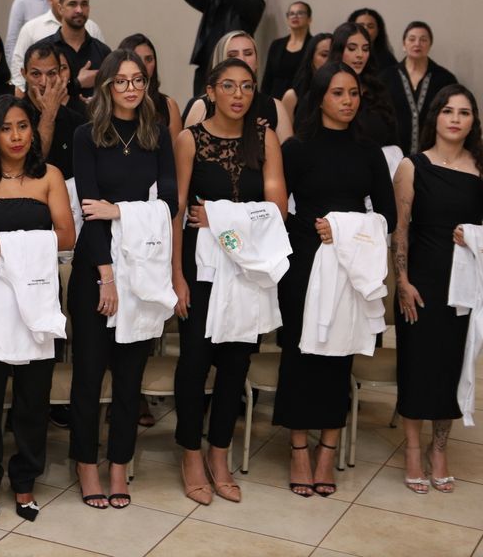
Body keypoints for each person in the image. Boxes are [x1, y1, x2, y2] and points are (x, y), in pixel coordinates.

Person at [273, 62, 396, 497]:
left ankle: (327, 449)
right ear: (321, 97)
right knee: (299, 353)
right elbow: (277, 207)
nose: (348, 101)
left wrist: (343, 230)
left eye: (354, 93)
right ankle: (298, 449)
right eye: (338, 93)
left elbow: (387, 215)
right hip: (304, 262)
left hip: (349, 265)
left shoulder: (369, 151)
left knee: (338, 357)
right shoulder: (297, 148)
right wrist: (310, 231)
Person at [171, 58, 286, 505]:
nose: (238, 95)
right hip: (200, 270)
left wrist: (218, 218)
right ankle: (190, 455)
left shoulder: (264, 136)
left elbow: (277, 207)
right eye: (229, 86)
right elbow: (178, 211)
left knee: (236, 366)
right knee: (194, 363)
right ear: (210, 90)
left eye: (247, 86)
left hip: (247, 267)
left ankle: (219, 455)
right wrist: (176, 275)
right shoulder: (190, 139)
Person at [69, 50, 178, 508]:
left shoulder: (157, 134)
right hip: (96, 269)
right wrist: (105, 276)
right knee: (89, 376)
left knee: (130, 379)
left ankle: (119, 465)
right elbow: (88, 209)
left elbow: (170, 202)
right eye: (122, 81)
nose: (131, 88)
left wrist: (119, 212)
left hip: (142, 272)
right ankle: (85, 465)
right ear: (107, 86)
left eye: (138, 80)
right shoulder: (87, 135)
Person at [0, 96, 75, 522]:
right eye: (6, 128)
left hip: (38, 296)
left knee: (33, 397)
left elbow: (67, 236)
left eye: (23, 126)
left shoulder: (49, 175)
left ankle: (25, 480)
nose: (16, 136)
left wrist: (8, 244)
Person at [393, 85, 483, 494]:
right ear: (436, 117)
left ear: (473, 121)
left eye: (464, 112)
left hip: (464, 286)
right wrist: (402, 282)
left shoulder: (479, 170)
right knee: (417, 365)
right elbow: (400, 229)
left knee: (451, 367)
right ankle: (413, 449)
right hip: (421, 281)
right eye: (448, 110)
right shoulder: (413, 166)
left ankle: (440, 449)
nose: (455, 119)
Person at [182, 30, 293, 142]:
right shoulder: (201, 107)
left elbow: (288, 152)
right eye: (232, 55)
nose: (242, 60)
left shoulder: (275, 107)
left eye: (248, 53)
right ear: (220, 61)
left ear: (257, 61)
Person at [183, 0, 265, 96]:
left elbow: (243, 5)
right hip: (207, 67)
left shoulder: (255, 3)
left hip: (235, 69)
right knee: (201, 105)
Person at [10, 0, 105, 92]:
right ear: (60, 9)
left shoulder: (102, 50)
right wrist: (78, 83)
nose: (79, 10)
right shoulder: (44, 49)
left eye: (84, 4)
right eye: (72, 4)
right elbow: (36, 91)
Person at [384, 22, 458, 154]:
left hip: (434, 152)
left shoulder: (445, 79)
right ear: (404, 44)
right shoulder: (386, 77)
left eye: (423, 39)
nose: (417, 44)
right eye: (412, 39)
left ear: (430, 45)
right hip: (393, 152)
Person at [23, 42, 89, 180]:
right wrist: (48, 114)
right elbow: (31, 166)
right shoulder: (12, 116)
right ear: (24, 74)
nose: (44, 82)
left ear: (60, 74)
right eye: (36, 74)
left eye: (51, 73)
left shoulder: (76, 121)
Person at [327, 22, 399, 148]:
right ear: (339, 50)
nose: (360, 55)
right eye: (352, 48)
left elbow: (393, 139)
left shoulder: (378, 89)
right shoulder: (322, 88)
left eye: (365, 49)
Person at [118, 34, 183, 142]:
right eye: (136, 59)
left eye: (149, 59)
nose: (143, 65)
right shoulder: (111, 103)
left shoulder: (168, 105)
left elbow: (175, 151)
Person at [262, 1, 314, 100]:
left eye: (300, 13)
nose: (295, 16)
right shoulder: (276, 44)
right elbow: (268, 78)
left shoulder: (313, 45)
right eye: (291, 13)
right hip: (275, 99)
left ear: (309, 19)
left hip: (301, 100)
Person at [281, 33, 332, 122]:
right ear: (311, 58)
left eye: (333, 55)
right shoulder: (292, 96)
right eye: (324, 55)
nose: (330, 60)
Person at [348, 7, 398, 71]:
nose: (365, 29)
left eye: (370, 26)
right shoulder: (343, 54)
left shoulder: (387, 59)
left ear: (378, 31)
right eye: (360, 26)